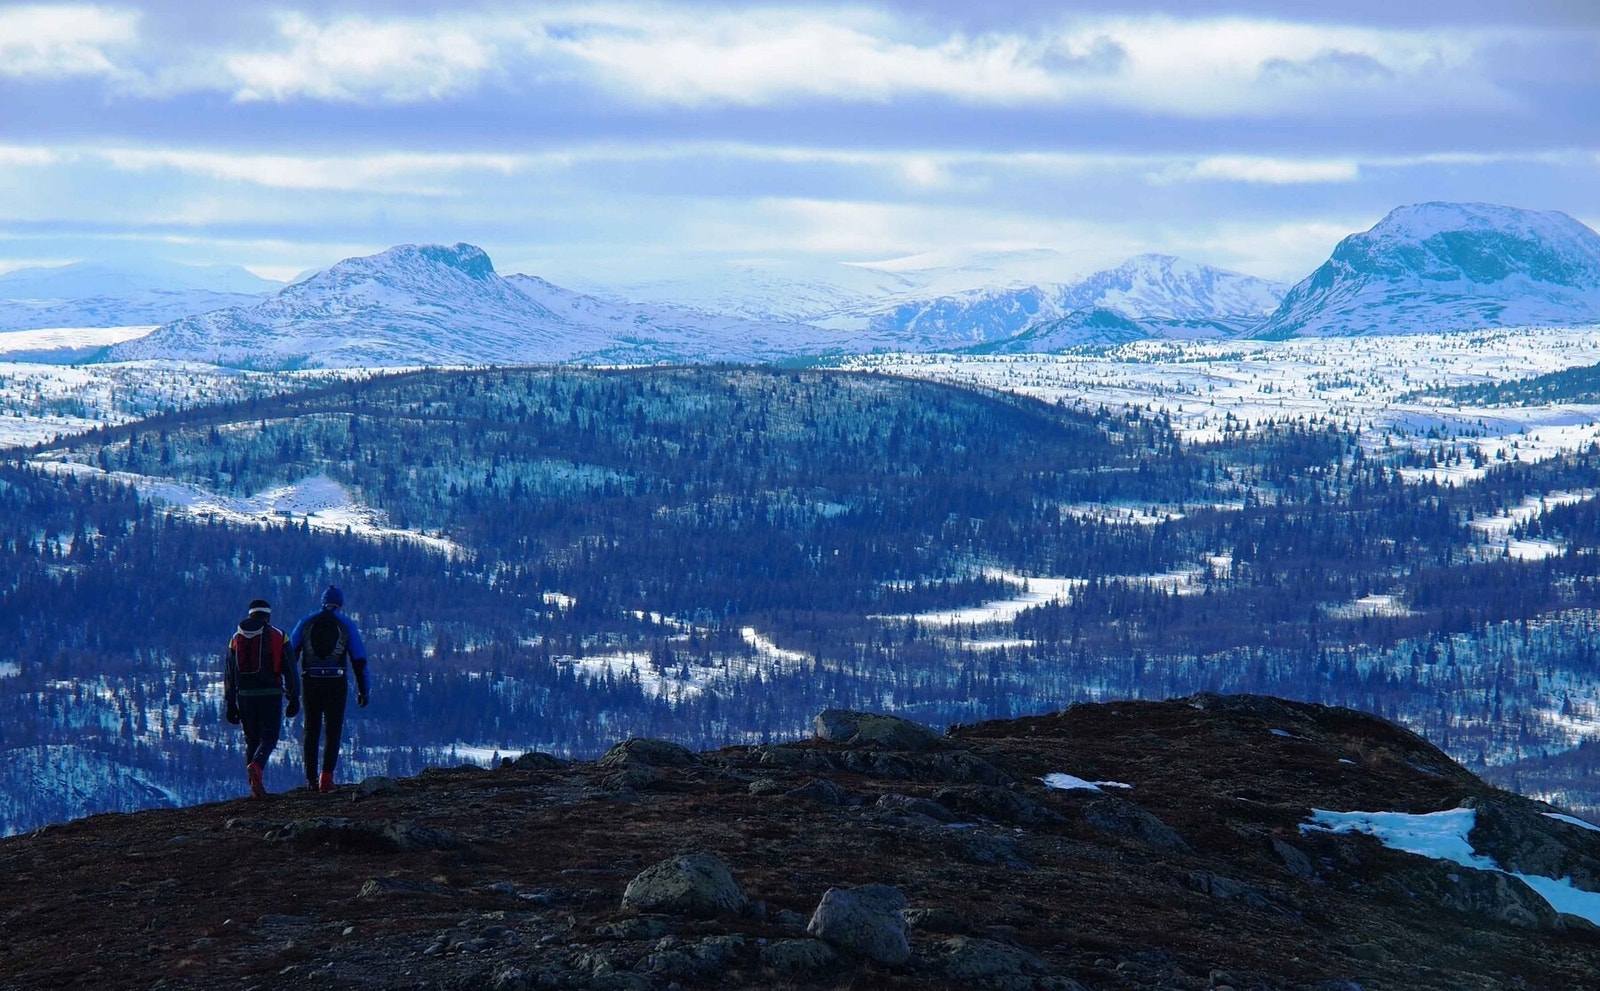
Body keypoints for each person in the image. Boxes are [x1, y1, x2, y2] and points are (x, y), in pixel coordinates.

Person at [288, 584, 369, 793]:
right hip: (336, 682)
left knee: (311, 729)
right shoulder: (346, 624)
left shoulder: (306, 621)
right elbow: (359, 659)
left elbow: (290, 654)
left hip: (310, 681)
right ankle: (327, 778)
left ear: (323, 602)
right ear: (340, 604)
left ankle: (311, 779)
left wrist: (290, 685)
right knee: (333, 729)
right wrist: (364, 690)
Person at [223, 598, 300, 798]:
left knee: (252, 740)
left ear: (250, 614)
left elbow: (229, 673)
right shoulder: (279, 636)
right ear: (268, 616)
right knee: (269, 738)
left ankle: (254, 786)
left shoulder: (235, 638)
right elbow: (290, 668)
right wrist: (294, 696)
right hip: (270, 694)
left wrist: (230, 702)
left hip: (244, 696)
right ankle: (256, 766)